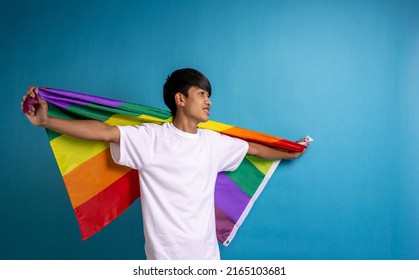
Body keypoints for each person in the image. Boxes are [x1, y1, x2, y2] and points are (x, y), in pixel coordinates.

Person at [22, 68, 307, 260]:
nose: (209, 101)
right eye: (202, 94)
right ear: (180, 99)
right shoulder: (150, 138)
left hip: (207, 259)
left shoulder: (214, 143)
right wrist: (48, 121)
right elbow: (104, 132)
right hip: (164, 260)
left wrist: (290, 152)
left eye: (209, 96)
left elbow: (254, 149)